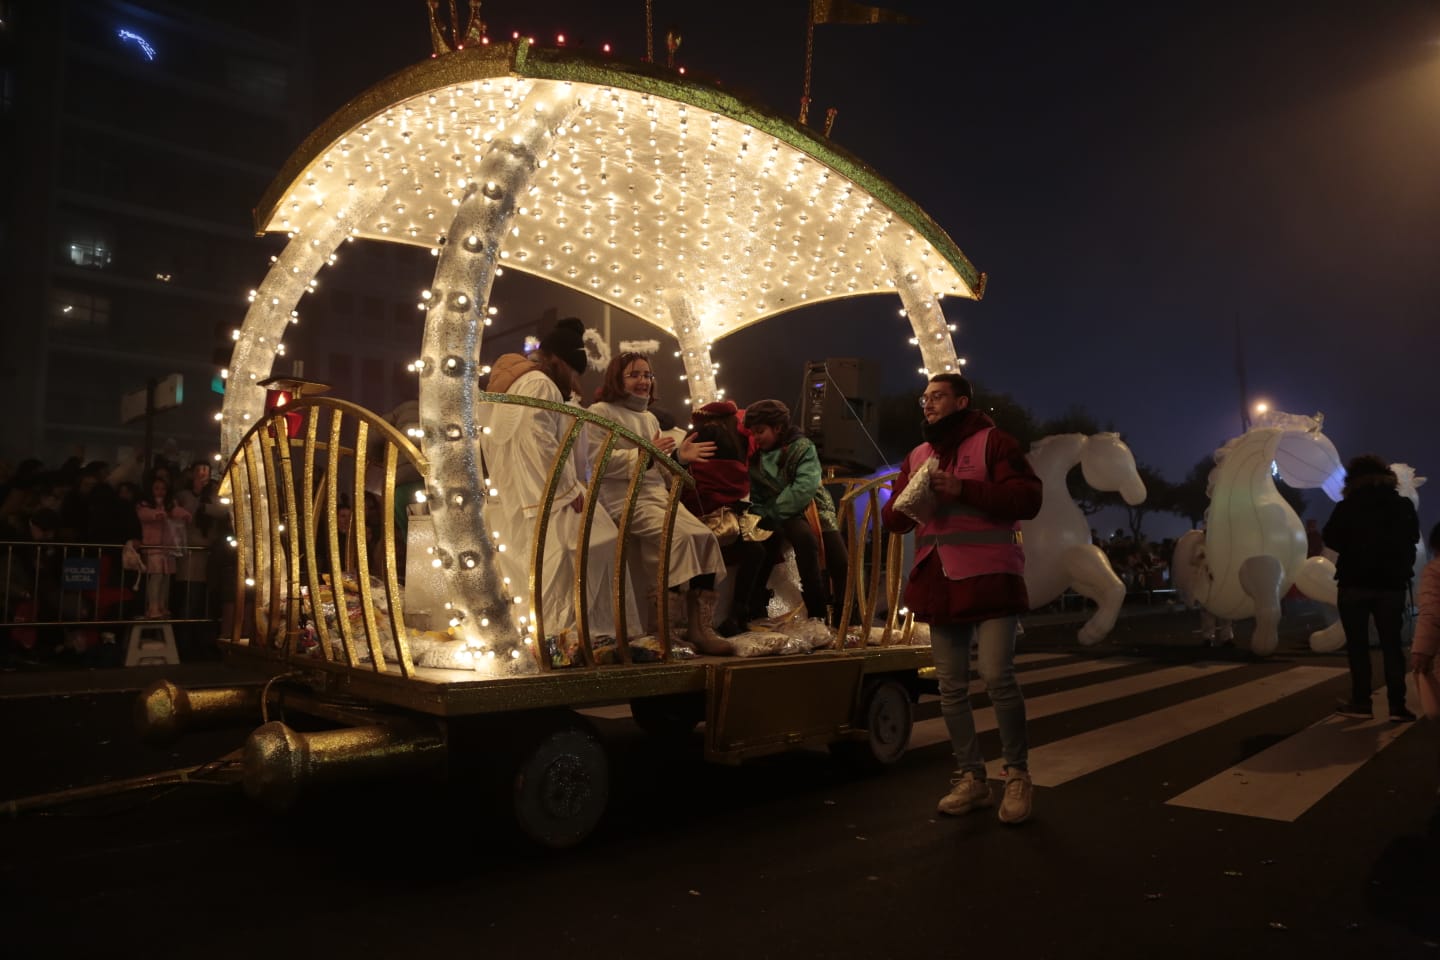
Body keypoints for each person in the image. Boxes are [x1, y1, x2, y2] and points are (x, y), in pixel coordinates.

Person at [881, 373, 1043, 824]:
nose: (928, 404)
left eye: (937, 397)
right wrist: (901, 505)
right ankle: (971, 777)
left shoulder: (995, 443)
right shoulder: (918, 454)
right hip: (938, 577)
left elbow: (1028, 498)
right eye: (924, 398)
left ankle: (1016, 775)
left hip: (991, 575)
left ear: (961, 401)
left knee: (997, 676)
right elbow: (893, 519)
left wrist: (963, 490)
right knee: (950, 688)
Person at [482, 318, 640, 662]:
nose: (575, 381)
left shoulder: (524, 384)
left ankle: (573, 640)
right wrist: (566, 489)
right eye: (573, 371)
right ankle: (567, 643)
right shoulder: (540, 385)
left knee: (561, 564)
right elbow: (535, 439)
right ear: (561, 361)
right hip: (546, 497)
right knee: (565, 566)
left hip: (529, 496)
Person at [587, 351, 730, 654]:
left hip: (657, 496)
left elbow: (658, 463)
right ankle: (664, 628)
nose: (643, 381)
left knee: (704, 536)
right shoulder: (601, 412)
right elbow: (596, 462)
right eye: (635, 375)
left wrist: (679, 458)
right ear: (617, 378)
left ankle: (699, 628)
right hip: (625, 498)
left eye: (647, 375)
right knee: (678, 538)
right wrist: (644, 455)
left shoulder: (649, 417)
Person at [1322, 454, 1420, 722]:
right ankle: (1397, 705)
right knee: (1392, 645)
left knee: (1358, 646)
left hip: (1354, 582)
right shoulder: (1401, 505)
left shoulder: (1348, 506)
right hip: (1392, 584)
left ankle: (1362, 701)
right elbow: (1412, 537)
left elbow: (1330, 537)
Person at [743, 399, 848, 627]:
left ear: (778, 428)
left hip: (812, 509)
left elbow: (805, 486)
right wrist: (764, 515)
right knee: (804, 541)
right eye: (753, 433)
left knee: (840, 561)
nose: (756, 438)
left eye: (760, 431)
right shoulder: (757, 460)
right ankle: (816, 613)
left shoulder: (802, 447)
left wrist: (774, 511)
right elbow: (758, 495)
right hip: (783, 515)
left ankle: (847, 619)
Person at [683, 400, 768, 637]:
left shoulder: (701, 437)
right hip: (712, 516)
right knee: (753, 550)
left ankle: (715, 621)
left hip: (713, 515)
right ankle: (722, 620)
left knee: (749, 549)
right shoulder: (733, 442)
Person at [135, 474, 191, 620]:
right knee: (157, 577)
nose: (160, 491)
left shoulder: (169, 504)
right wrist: (157, 514)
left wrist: (184, 514)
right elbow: (144, 514)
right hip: (153, 546)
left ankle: (162, 605)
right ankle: (153, 606)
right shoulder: (144, 504)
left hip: (167, 547)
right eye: (157, 488)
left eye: (163, 488)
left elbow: (176, 511)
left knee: (166, 579)